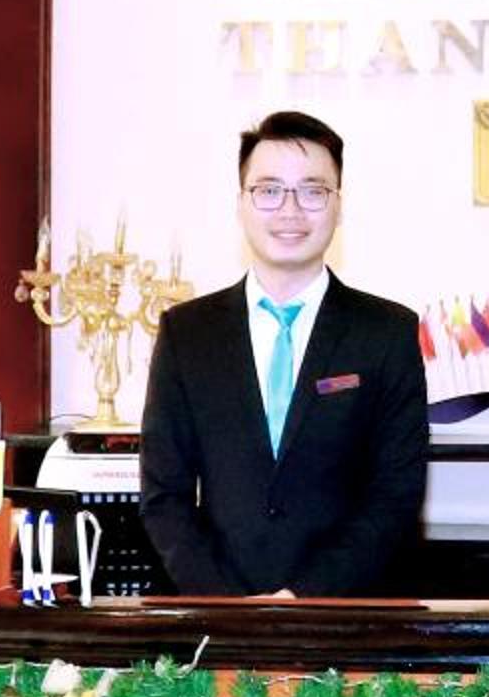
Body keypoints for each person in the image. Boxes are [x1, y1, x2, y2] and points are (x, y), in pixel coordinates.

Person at [137, 109, 427, 596]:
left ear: (338, 205)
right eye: (269, 190)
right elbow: (164, 495)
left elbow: (394, 496)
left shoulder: (387, 333)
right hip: (218, 615)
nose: (290, 210)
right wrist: (229, 607)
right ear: (241, 203)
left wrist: (304, 597)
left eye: (312, 191)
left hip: (344, 613)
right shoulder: (186, 334)